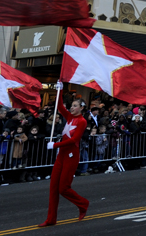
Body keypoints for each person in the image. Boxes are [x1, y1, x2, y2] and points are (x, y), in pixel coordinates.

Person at [40, 90, 89, 227]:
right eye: (72, 105)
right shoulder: (69, 117)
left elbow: (74, 140)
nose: (72, 108)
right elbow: (60, 106)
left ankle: (83, 203)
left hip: (71, 156)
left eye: (75, 106)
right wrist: (60, 89)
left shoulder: (82, 121)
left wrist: (55, 145)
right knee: (53, 188)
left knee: (63, 188)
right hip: (61, 155)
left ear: (81, 108)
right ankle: (51, 219)